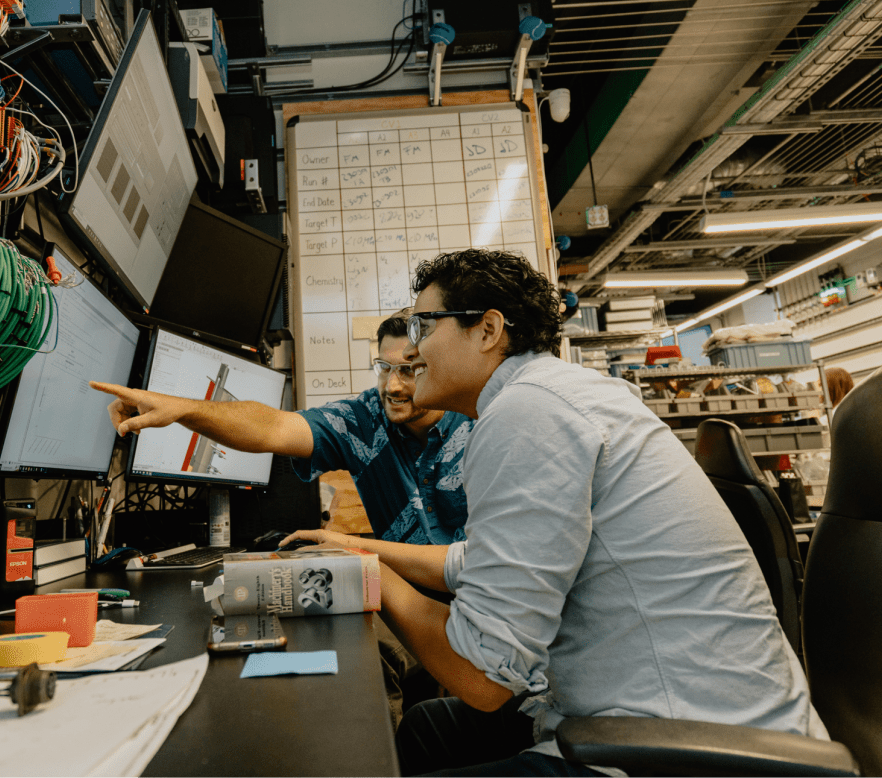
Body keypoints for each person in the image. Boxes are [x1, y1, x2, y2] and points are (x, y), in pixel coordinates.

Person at [284, 249, 827, 778]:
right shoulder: (552, 394)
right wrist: (362, 548)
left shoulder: (527, 414)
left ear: (488, 330)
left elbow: (481, 675)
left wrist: (366, 577)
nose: (413, 351)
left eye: (425, 327)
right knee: (427, 729)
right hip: (681, 711)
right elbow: (490, 558)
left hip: (675, 742)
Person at [88, 309, 472, 546]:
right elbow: (272, 426)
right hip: (410, 594)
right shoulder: (365, 419)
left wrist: (350, 547)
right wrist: (182, 409)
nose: (392, 386)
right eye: (383, 368)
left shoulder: (477, 423)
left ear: (432, 366)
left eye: (406, 370)